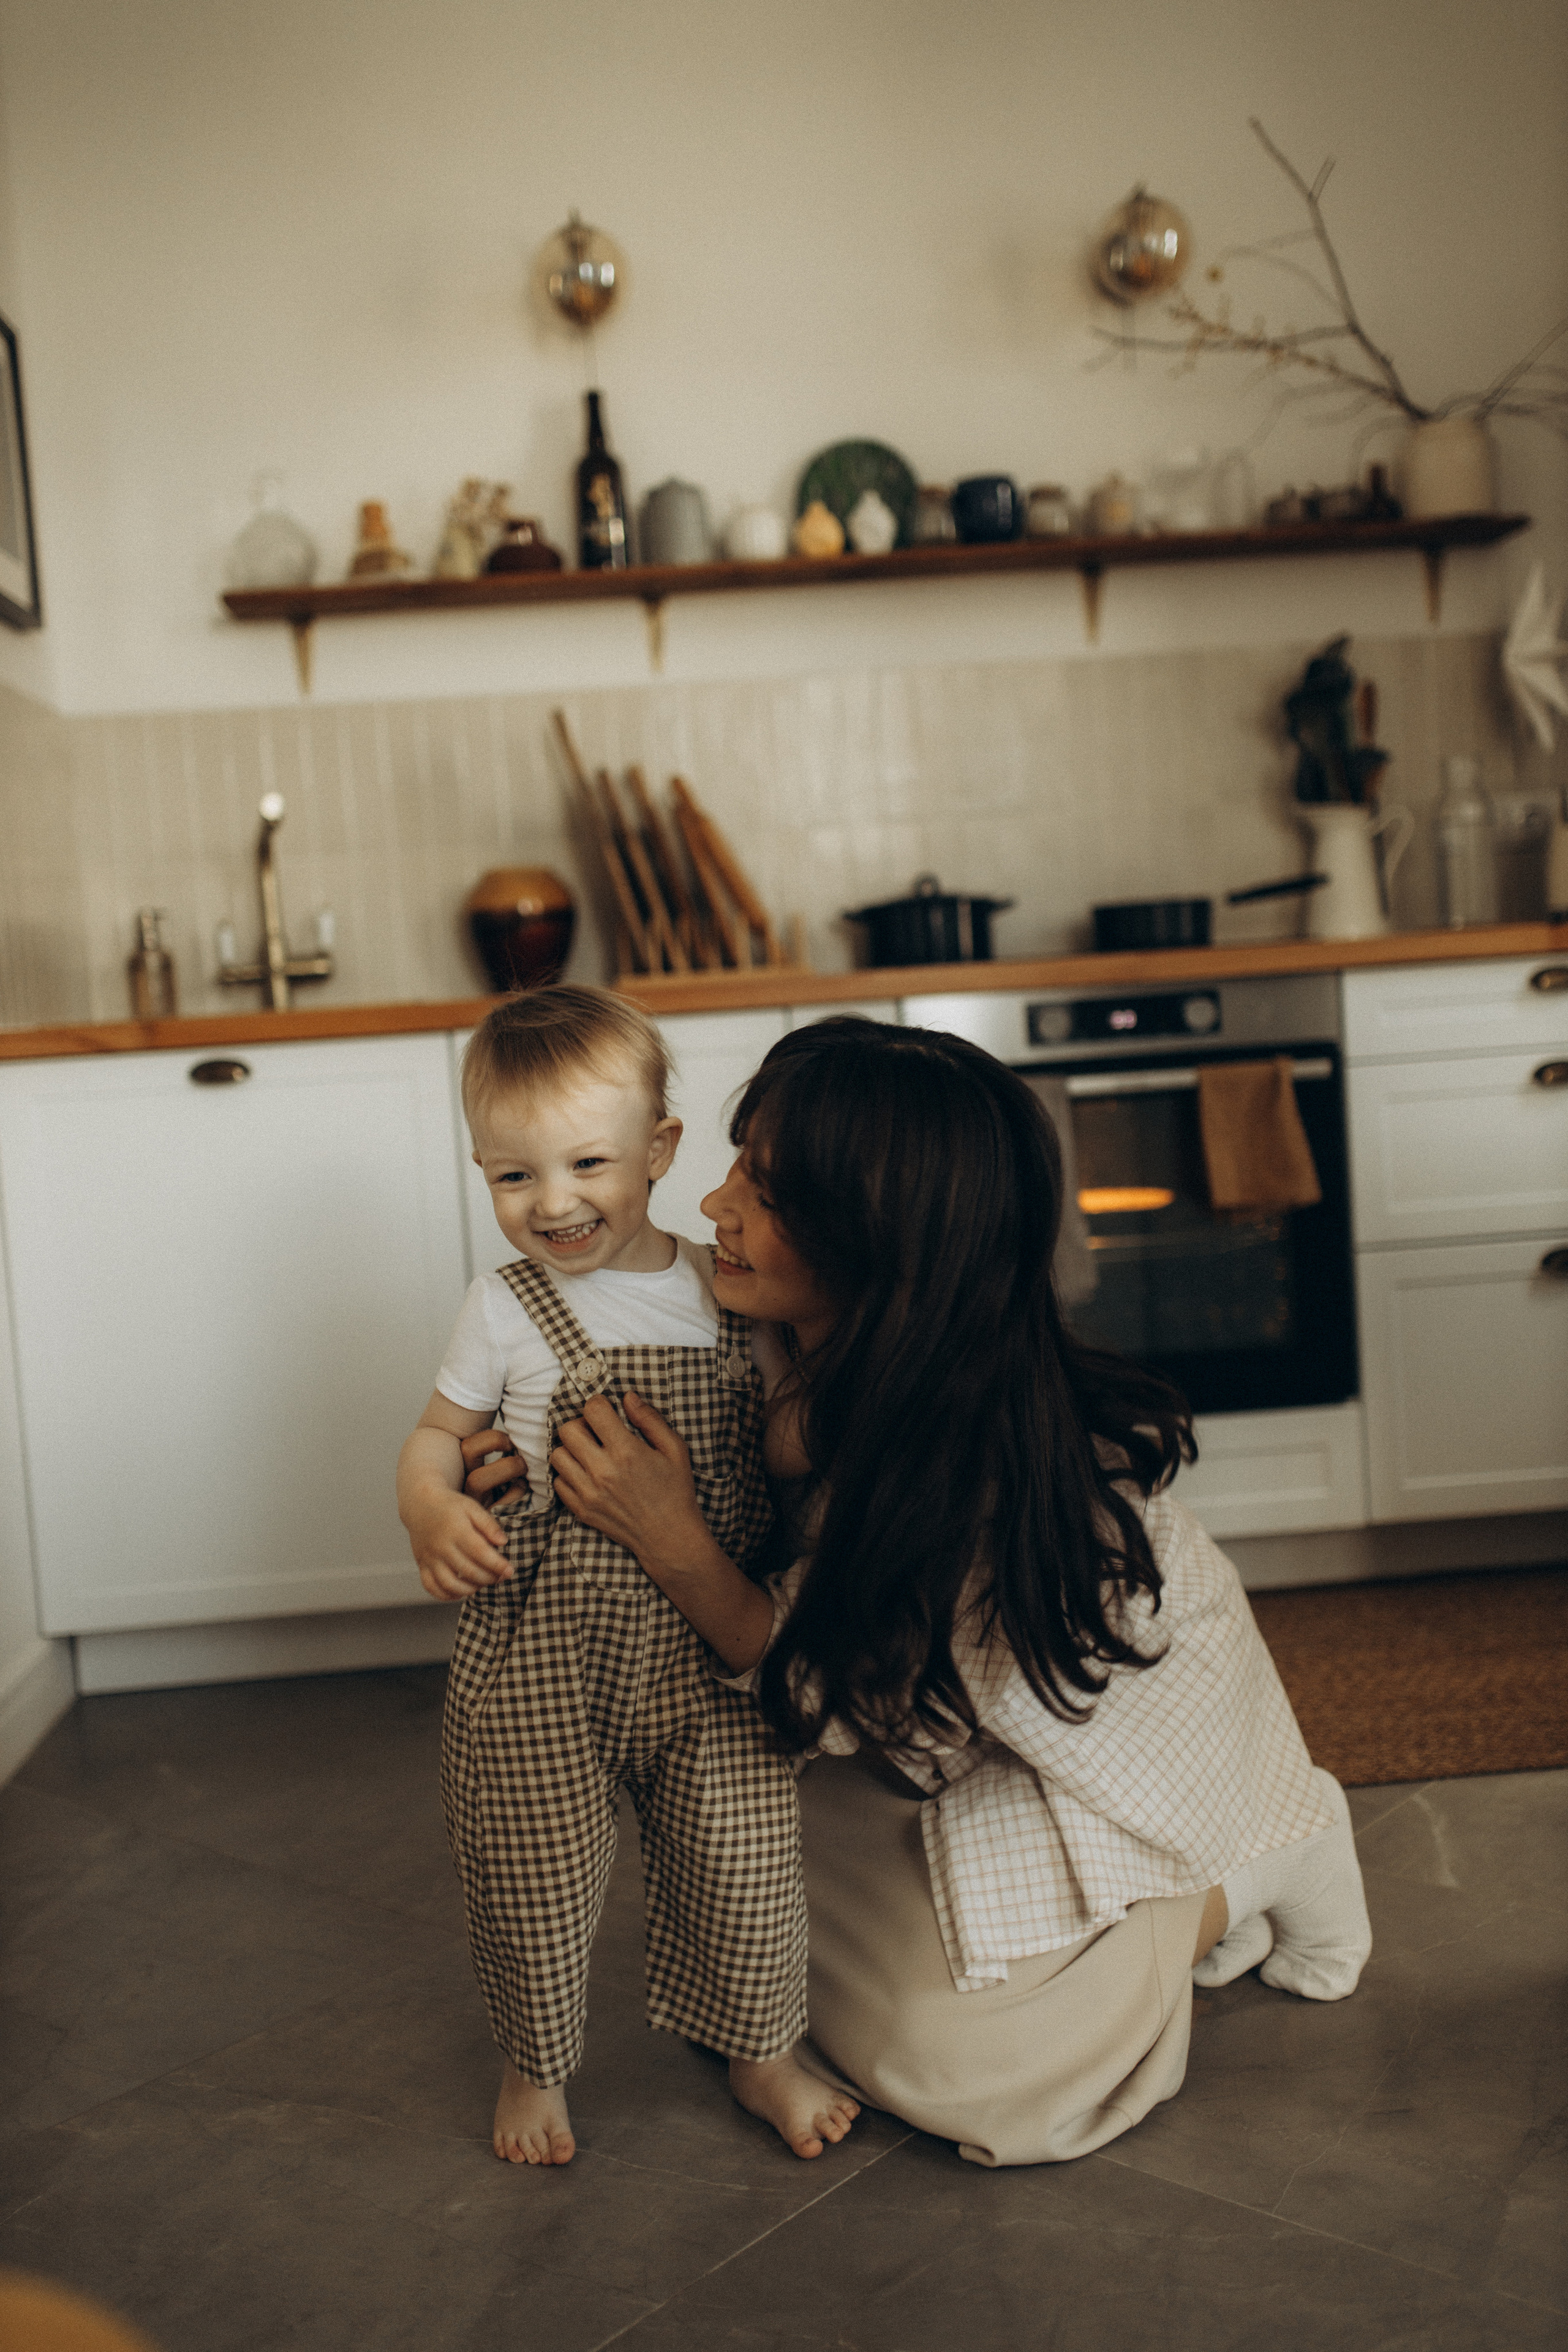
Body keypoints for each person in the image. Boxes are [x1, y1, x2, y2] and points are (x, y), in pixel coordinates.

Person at [466, 1015, 1373, 2168]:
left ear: (876, 1245)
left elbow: (832, 1689)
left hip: (1096, 1759)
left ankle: (1260, 1865)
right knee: (733, 1900)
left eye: (771, 1194)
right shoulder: (752, 1333)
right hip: (907, 1734)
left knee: (956, 2070)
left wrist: (672, 1539)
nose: (714, 1207)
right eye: (740, 1160)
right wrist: (500, 1484)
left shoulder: (970, 1463)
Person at [397, 986, 858, 2168]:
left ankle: (761, 2051)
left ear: (660, 1152)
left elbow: (792, 1435)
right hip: (542, 1651)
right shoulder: (503, 1305)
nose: (552, 1204)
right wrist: (427, 1503)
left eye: (588, 1163)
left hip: (712, 1658)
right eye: (510, 1176)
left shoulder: (726, 1289)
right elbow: (438, 1434)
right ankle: (533, 2058)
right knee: (529, 1870)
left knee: (744, 1864)